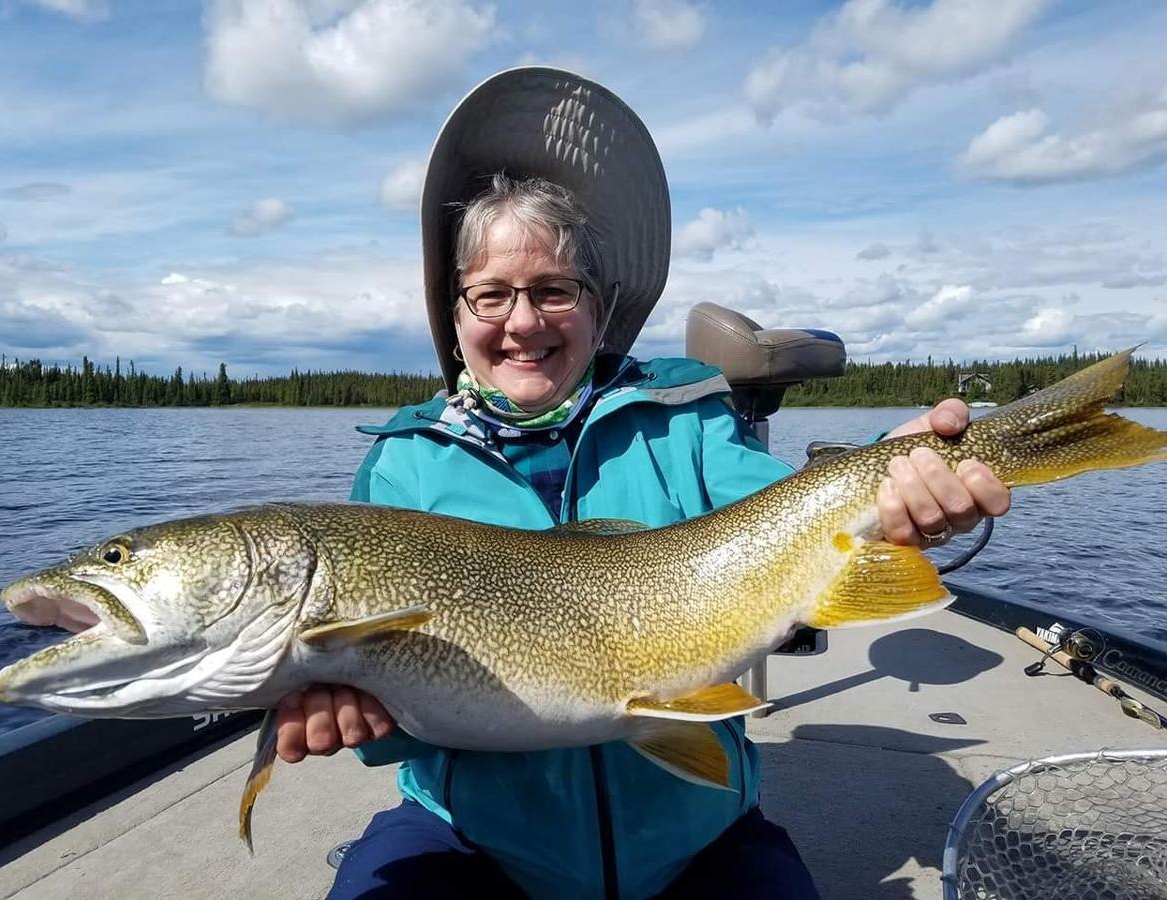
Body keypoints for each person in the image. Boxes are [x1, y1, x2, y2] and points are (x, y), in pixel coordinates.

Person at [276, 68, 1012, 899]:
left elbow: (799, 521)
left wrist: (901, 479)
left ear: (598, 307)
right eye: (490, 295)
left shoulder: (685, 421)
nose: (522, 321)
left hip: (698, 831)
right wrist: (356, 719)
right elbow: (392, 721)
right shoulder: (404, 465)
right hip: (475, 841)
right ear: (454, 316)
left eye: (553, 290)